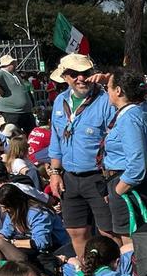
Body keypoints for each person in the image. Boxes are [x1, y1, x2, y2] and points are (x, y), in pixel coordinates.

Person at [47, 53, 115, 260]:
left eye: (85, 73)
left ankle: (115, 275)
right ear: (65, 77)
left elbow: (115, 140)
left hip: (99, 177)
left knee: (108, 232)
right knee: (76, 231)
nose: (80, 78)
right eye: (74, 74)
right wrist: (55, 173)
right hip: (69, 178)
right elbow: (56, 141)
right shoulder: (60, 100)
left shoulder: (106, 100)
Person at [104, 67, 147, 244]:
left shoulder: (129, 118)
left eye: (108, 87)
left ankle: (135, 273)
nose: (106, 90)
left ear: (118, 91)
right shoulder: (141, 108)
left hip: (130, 183)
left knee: (131, 243)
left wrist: (119, 189)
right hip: (136, 180)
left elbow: (136, 162)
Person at [0, 181, 69, 264]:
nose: (3, 211)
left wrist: (10, 242)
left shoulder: (38, 213)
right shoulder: (12, 211)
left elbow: (42, 243)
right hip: (31, 249)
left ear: (15, 204)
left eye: (5, 207)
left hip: (55, 249)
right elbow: (6, 232)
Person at [0, 54, 35, 131]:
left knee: (31, 131)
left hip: (24, 111)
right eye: (13, 63)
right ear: (8, 64)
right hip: (12, 111)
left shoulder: (14, 73)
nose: (15, 65)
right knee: (15, 133)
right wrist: (1, 92)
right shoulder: (1, 73)